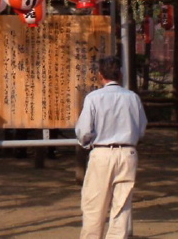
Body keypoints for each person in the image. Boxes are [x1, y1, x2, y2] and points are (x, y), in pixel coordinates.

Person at [75, 56, 148, 239]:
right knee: (122, 206)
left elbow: (83, 131)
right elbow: (141, 128)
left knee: (94, 205)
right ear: (120, 74)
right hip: (127, 152)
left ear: (100, 75)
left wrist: (88, 142)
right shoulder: (133, 98)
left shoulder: (93, 98)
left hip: (101, 152)